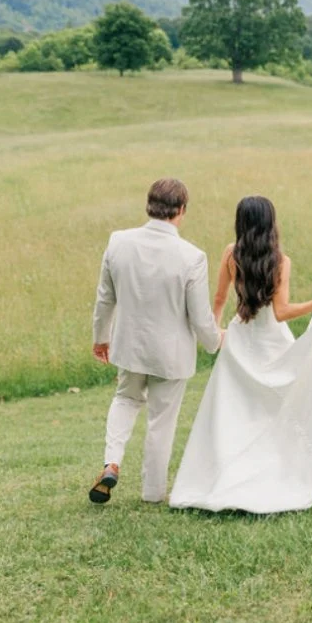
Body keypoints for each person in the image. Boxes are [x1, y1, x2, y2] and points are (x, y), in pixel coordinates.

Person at [168, 195, 312, 513]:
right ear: (271, 223)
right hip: (272, 342)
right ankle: (274, 471)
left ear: (241, 222)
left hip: (240, 340)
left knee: (232, 414)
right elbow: (282, 312)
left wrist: (215, 333)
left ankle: (223, 478)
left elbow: (219, 297)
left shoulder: (230, 254)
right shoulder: (280, 261)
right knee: (278, 411)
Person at [88, 178, 224, 504]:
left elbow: (105, 299)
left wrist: (101, 338)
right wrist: (215, 341)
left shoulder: (118, 242)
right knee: (161, 421)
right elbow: (200, 315)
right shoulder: (192, 256)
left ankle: (112, 462)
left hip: (129, 345)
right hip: (171, 354)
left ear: (149, 205)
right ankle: (152, 493)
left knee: (125, 399)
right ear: (181, 210)